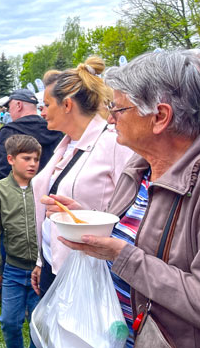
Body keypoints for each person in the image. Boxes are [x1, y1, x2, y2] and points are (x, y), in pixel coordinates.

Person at [45, 51, 200, 347]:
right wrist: (88, 218)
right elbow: (140, 231)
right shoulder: (140, 168)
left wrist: (120, 255)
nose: (110, 119)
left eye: (118, 110)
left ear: (160, 117)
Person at [30, 57, 134, 299]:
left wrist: (84, 216)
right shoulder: (64, 145)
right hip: (53, 265)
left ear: (67, 105)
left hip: (89, 274)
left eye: (46, 104)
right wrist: (40, 259)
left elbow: (134, 213)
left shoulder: (113, 143)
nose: (42, 112)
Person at [0, 135, 41, 348]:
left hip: (41, 270)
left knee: (38, 323)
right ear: (11, 159)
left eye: (36, 159)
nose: (33, 164)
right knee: (9, 322)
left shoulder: (44, 186)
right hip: (13, 271)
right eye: (26, 158)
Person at [0, 88, 62, 182]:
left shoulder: (10, 131)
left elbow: (2, 169)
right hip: (50, 188)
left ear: (18, 105)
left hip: (20, 190)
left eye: (10, 107)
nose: (9, 111)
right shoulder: (54, 129)